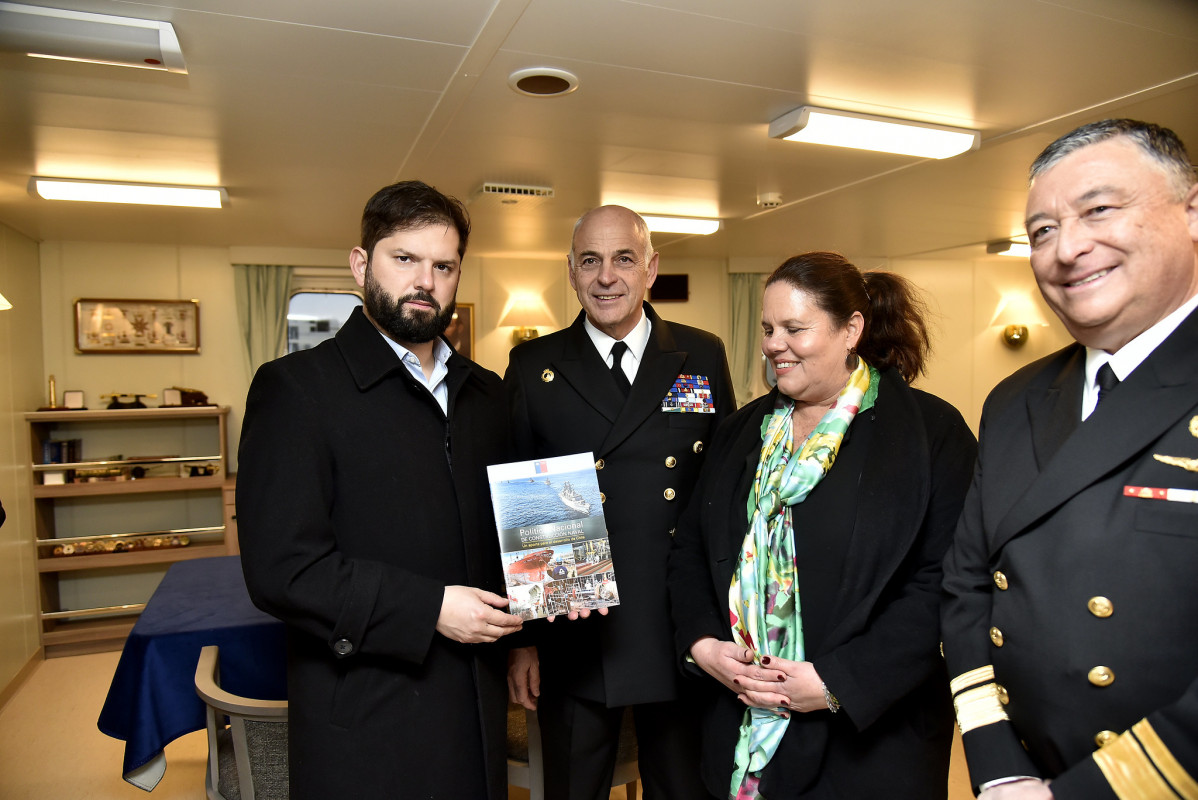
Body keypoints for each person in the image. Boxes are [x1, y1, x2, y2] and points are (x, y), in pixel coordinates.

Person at [237, 180, 523, 800]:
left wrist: (546, 603)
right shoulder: (297, 390)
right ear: (362, 264)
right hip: (367, 714)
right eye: (405, 259)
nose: (426, 280)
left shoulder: (487, 394)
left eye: (443, 266)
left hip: (476, 707)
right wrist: (429, 609)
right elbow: (281, 570)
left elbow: (508, 536)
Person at [941, 118, 1198, 800]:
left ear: (1193, 211)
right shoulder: (1015, 398)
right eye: (1043, 231)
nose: (1068, 248)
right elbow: (967, 585)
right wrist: (996, 762)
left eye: (1099, 210)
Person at [668, 252, 977, 799]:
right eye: (767, 328)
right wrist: (703, 647)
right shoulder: (741, 432)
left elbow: (943, 584)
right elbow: (691, 548)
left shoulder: (932, 434)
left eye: (794, 328)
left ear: (851, 329)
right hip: (740, 722)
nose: (772, 344)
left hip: (872, 745)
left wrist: (836, 682)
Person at [504, 205, 735, 799]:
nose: (607, 276)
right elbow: (521, 515)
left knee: (685, 789)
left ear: (650, 268)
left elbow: (723, 494)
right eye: (590, 261)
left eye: (623, 259)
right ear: (572, 272)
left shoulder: (701, 355)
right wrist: (523, 639)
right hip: (577, 627)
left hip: (680, 623)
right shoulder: (534, 367)